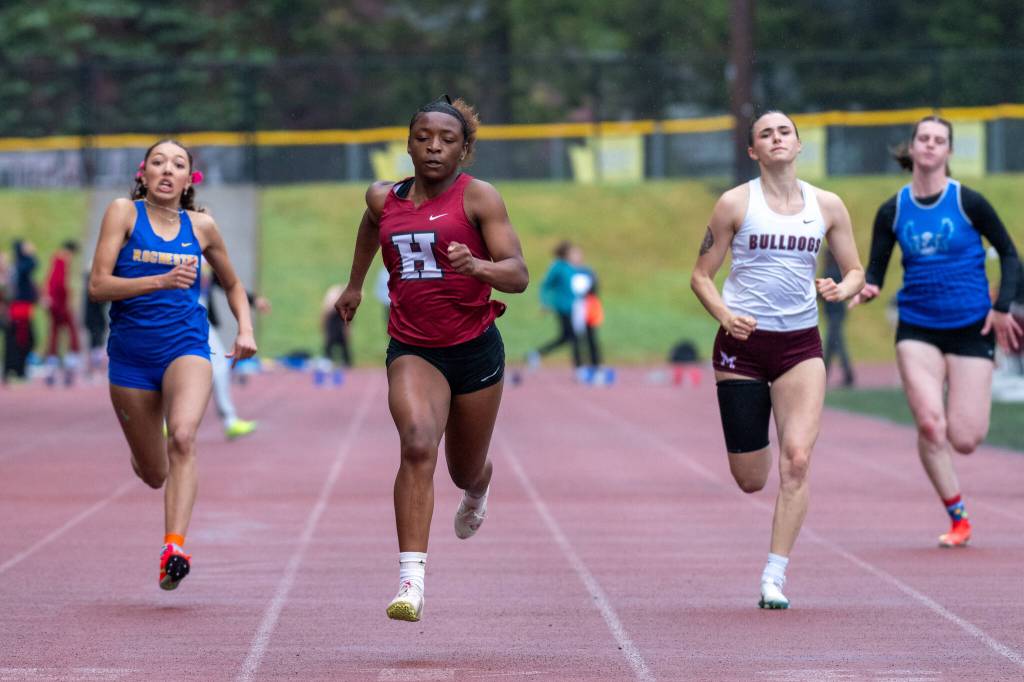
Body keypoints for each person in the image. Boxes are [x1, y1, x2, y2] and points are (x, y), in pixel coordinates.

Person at [334, 95, 528, 622]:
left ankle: (480, 483)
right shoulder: (383, 198)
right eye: (424, 138)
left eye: (447, 140)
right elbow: (370, 228)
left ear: (464, 149)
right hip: (414, 348)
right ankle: (411, 581)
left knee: (463, 468)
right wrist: (354, 284)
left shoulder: (479, 198)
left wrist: (478, 268)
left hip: (474, 348)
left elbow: (518, 274)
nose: (434, 147)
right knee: (418, 443)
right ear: (409, 143)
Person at [690, 110, 864, 609]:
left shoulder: (826, 205)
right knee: (751, 480)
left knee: (798, 460)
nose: (776, 138)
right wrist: (725, 315)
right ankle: (755, 469)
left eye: (784, 131)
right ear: (754, 151)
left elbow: (854, 269)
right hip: (741, 348)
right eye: (765, 134)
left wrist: (840, 287)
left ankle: (774, 575)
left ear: (798, 143)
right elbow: (701, 275)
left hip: (799, 347)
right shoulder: (734, 204)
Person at [88, 139, 257, 591]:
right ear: (143, 173)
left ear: (188, 180)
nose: (167, 170)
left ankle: (174, 548)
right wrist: (160, 280)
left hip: (185, 348)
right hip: (130, 359)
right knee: (154, 473)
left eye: (177, 164)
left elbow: (234, 284)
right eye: (158, 162)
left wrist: (245, 330)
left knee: (183, 437)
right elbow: (98, 286)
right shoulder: (123, 213)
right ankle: (143, 455)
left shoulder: (201, 227)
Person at [849, 115, 1021, 549]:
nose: (929, 145)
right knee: (929, 424)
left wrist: (1002, 308)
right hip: (917, 328)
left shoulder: (969, 202)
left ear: (948, 152)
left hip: (970, 328)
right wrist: (866, 288)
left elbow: (1009, 254)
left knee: (965, 438)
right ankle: (958, 517)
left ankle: (954, 445)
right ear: (912, 148)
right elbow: (875, 270)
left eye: (938, 140)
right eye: (923, 138)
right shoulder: (893, 210)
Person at [204, 268, 268, 438]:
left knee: (219, 365)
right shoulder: (169, 251)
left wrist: (254, 300)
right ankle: (229, 420)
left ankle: (230, 420)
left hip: (199, 320)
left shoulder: (204, 252)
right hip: (174, 319)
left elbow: (228, 284)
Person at [526, 241, 582, 371]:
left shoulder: (570, 268)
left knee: (565, 337)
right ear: (566, 253)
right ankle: (580, 369)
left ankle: (536, 353)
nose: (577, 255)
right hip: (563, 307)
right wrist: (544, 303)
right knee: (573, 337)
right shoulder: (557, 267)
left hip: (573, 307)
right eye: (574, 253)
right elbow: (545, 285)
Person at [44, 240, 81, 386]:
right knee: (71, 332)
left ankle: (51, 365)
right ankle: (69, 362)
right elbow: (59, 284)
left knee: (54, 333)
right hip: (60, 303)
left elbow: (50, 282)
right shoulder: (62, 261)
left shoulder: (56, 260)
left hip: (55, 302)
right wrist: (66, 301)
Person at [4, 239, 39, 382]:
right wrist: (30, 253)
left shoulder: (17, 265)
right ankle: (18, 371)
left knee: (22, 339)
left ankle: (16, 370)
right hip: (20, 309)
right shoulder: (21, 264)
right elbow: (33, 264)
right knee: (22, 340)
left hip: (21, 308)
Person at [820, 247, 854, 387]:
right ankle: (842, 375)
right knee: (833, 345)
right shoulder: (837, 271)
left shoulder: (830, 272)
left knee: (835, 345)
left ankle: (843, 375)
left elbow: (826, 293)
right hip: (837, 312)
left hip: (834, 313)